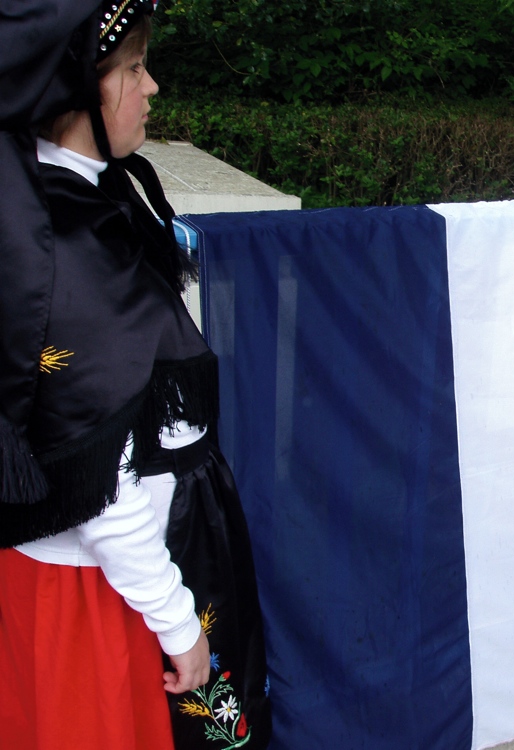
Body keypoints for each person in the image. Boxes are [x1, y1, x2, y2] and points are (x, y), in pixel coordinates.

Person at [0, 2, 271, 747]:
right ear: (73, 92)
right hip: (103, 591)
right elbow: (93, 466)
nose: (150, 87)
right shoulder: (58, 241)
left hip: (136, 570)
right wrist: (178, 623)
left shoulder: (87, 198)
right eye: (131, 69)